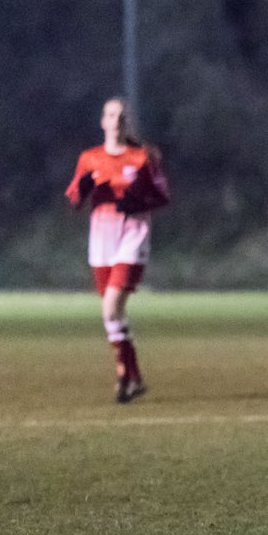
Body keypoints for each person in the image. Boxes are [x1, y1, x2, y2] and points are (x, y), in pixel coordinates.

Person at [65, 97, 170, 403]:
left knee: (111, 307)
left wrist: (138, 202)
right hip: (101, 238)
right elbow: (73, 198)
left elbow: (162, 196)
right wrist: (80, 193)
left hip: (132, 236)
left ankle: (125, 376)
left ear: (126, 122)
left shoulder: (141, 158)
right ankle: (135, 377)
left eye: (122, 115)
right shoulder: (89, 158)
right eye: (111, 115)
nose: (116, 120)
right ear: (103, 121)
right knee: (113, 314)